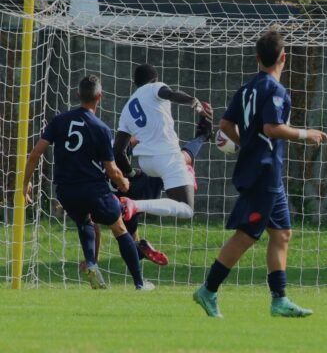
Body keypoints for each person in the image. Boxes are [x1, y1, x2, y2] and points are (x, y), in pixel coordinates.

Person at [193, 30, 327, 318]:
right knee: (246, 236)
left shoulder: (247, 87)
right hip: (263, 173)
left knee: (282, 234)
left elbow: (226, 125)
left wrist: (245, 143)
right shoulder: (276, 91)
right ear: (284, 57)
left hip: (267, 174)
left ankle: (279, 300)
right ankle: (208, 289)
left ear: (257, 58)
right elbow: (272, 128)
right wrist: (306, 134)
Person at [22, 75, 152, 290]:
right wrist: (123, 183)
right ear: (99, 97)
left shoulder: (59, 120)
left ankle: (92, 263)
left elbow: (35, 154)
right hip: (93, 190)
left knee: (85, 222)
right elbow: (111, 169)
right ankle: (140, 284)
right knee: (120, 229)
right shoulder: (100, 128)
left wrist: (25, 183)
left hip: (65, 191)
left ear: (77, 95)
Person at [81, 116, 214, 271]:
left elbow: (92, 227)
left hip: (118, 203)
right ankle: (199, 143)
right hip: (140, 189)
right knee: (178, 161)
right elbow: (131, 142)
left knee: (127, 248)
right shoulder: (111, 146)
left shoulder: (85, 165)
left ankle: (138, 249)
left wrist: (93, 259)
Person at [114, 63, 213, 221]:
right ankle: (135, 205)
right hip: (166, 158)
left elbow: (118, 151)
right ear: (155, 79)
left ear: (135, 84)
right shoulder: (154, 87)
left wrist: (132, 173)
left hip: (146, 164)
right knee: (187, 209)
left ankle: (200, 142)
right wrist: (192, 100)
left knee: (181, 157)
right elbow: (171, 94)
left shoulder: (126, 109)